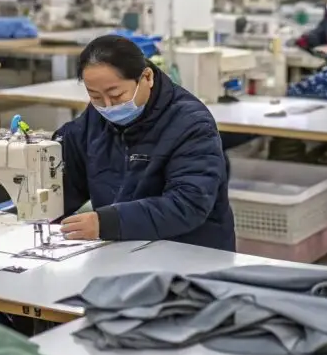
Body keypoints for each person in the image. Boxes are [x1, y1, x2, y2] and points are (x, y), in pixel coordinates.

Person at [54, 35, 236, 251]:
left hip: (191, 252)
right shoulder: (94, 119)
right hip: (126, 248)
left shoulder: (191, 123)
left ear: (147, 77)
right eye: (95, 96)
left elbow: (188, 204)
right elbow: (67, 180)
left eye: (117, 94)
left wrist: (108, 222)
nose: (108, 106)